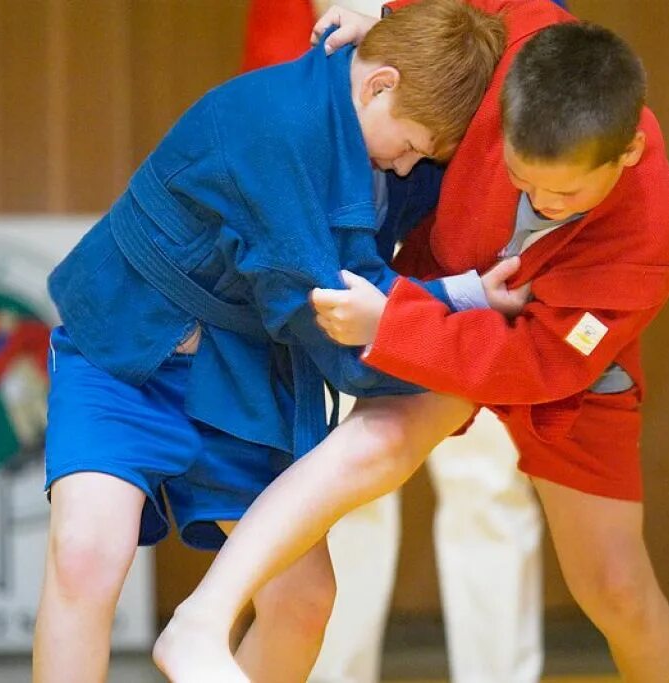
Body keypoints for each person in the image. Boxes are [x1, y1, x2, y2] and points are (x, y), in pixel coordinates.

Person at [159, 2, 669, 682]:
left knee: (615, 584)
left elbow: (537, 362)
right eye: (522, 178)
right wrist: (379, 13)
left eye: (564, 193)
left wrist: (394, 326)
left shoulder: (648, 244)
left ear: (629, 155)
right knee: (378, 443)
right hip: (456, 292)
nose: (540, 201)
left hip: (558, 356)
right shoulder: (523, 29)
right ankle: (204, 616)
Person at [31, 3, 506, 682]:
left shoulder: (381, 119)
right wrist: (468, 332)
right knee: (84, 555)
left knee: (304, 600)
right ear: (379, 85)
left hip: (239, 369)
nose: (408, 168)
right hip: (125, 352)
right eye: (409, 145)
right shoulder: (277, 126)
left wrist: (464, 301)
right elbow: (334, 322)